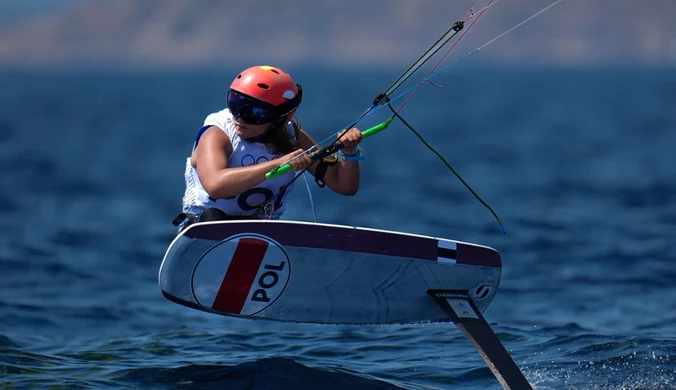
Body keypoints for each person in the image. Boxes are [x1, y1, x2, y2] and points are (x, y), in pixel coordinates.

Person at [173, 65, 364, 229]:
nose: (239, 118)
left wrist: (349, 152)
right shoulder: (217, 134)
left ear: (280, 118)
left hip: (261, 233)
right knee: (213, 217)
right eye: (235, 104)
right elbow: (215, 185)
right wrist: (278, 164)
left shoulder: (293, 138)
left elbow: (344, 186)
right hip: (203, 229)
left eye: (254, 112)